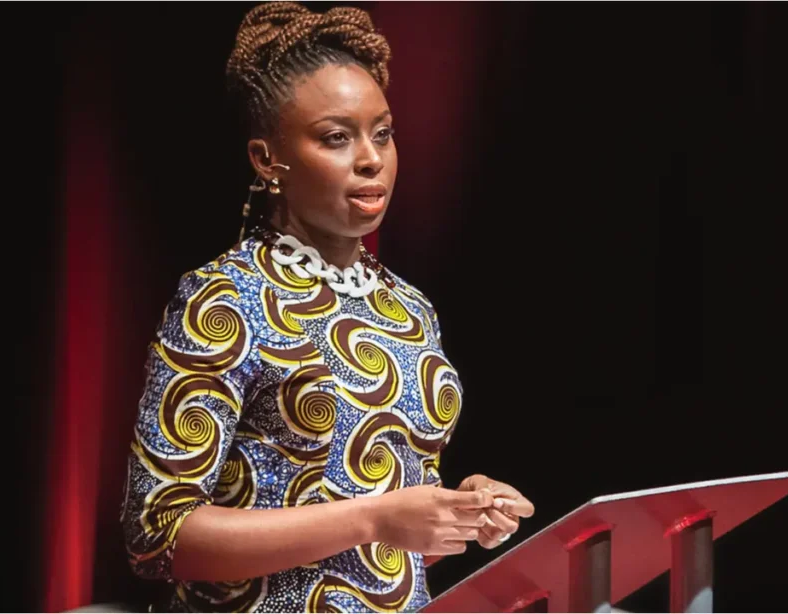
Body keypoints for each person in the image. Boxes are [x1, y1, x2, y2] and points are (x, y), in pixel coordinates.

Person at [119, 2, 534, 612]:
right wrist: (374, 517)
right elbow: (158, 535)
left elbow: (389, 546)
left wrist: (458, 512)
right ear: (267, 159)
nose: (371, 158)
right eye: (337, 137)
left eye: (382, 133)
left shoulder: (409, 309)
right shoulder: (224, 297)